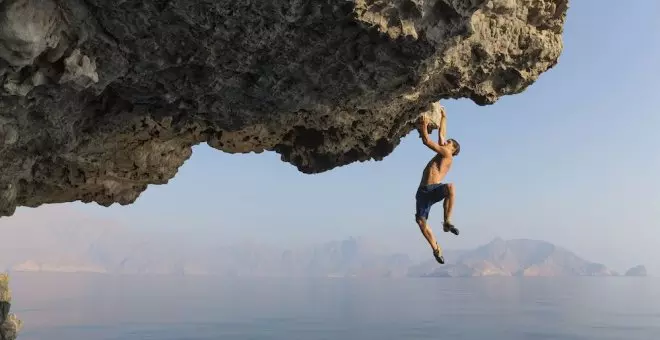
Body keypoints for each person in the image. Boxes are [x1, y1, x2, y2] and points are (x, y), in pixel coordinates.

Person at [415, 109, 461, 264]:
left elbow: (427, 141)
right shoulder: (444, 153)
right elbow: (442, 133)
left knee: (450, 187)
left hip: (433, 189)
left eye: (448, 143)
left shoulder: (447, 155)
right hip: (422, 192)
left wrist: (424, 127)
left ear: (452, 149)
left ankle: (447, 221)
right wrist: (444, 117)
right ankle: (436, 249)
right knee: (421, 222)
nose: (445, 141)